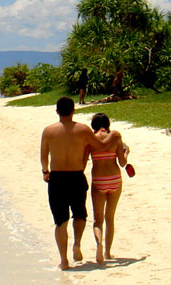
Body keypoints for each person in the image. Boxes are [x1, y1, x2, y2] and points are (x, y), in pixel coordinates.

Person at [40, 97, 120, 270]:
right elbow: (101, 146)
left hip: (57, 178)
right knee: (80, 214)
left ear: (57, 111)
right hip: (76, 176)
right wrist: (114, 136)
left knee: (60, 220)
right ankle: (77, 244)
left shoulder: (48, 131)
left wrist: (45, 172)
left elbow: (44, 156)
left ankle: (64, 260)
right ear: (73, 110)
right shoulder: (83, 130)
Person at [87, 113, 129, 264]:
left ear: (93, 125)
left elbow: (84, 159)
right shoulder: (116, 136)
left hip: (99, 179)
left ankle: (99, 244)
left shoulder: (90, 138)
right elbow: (123, 163)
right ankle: (108, 253)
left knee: (98, 220)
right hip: (115, 178)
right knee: (109, 217)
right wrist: (126, 152)